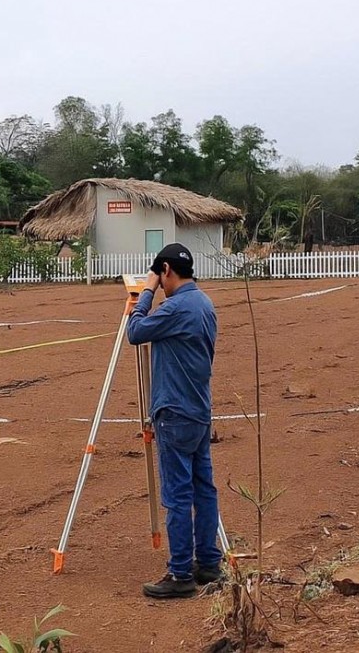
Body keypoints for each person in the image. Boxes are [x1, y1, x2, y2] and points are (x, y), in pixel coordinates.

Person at [126, 243, 222, 599]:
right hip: (198, 409)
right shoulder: (205, 303)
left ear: (166, 270)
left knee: (178, 495)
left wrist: (145, 292)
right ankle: (209, 563)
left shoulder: (178, 306)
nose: (159, 282)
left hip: (175, 411)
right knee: (203, 489)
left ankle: (181, 572)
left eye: (159, 275)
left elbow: (136, 332)